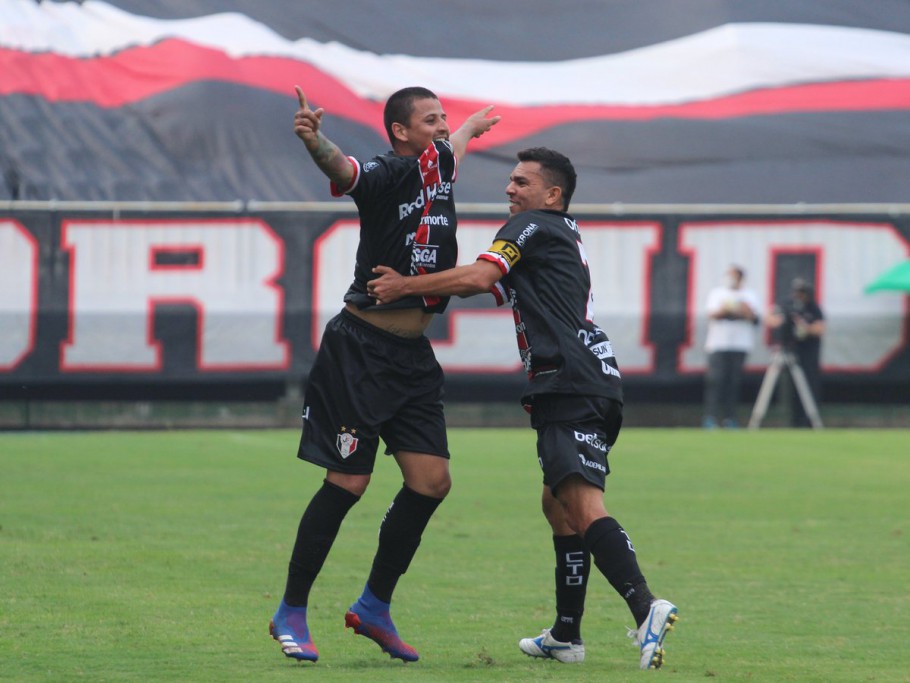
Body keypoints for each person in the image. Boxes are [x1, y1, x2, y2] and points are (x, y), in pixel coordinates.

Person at [368, 147, 679, 670]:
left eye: (521, 182)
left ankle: (645, 606)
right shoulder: (560, 233)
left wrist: (404, 285)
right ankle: (566, 635)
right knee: (557, 505)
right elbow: (488, 284)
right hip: (591, 380)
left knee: (581, 504)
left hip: (569, 382)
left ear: (552, 194)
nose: (510, 189)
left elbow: (479, 278)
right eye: (510, 181)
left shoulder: (531, 226)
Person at [269, 85, 500, 663]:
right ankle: (291, 609)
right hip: (361, 352)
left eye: (443, 118)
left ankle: (373, 606)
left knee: (432, 482)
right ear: (400, 131)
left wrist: (469, 127)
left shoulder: (439, 164)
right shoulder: (386, 173)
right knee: (348, 483)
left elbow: (455, 145)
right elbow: (343, 169)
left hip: (412, 358)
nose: (441, 127)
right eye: (430, 120)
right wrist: (314, 139)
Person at [702, 265, 761, 429]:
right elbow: (712, 314)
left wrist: (743, 309)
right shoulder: (717, 293)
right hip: (718, 344)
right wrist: (726, 309)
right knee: (716, 381)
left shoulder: (750, 295)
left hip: (740, 344)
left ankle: (730, 418)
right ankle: (711, 417)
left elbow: (755, 318)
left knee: (733, 383)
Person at [766, 278, 825, 427]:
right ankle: (794, 420)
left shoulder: (813, 308)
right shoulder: (787, 304)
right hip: (791, 348)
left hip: (808, 352)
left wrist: (805, 328)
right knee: (792, 387)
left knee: (808, 385)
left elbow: (820, 328)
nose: (799, 296)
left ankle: (809, 421)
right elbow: (770, 317)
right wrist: (781, 321)